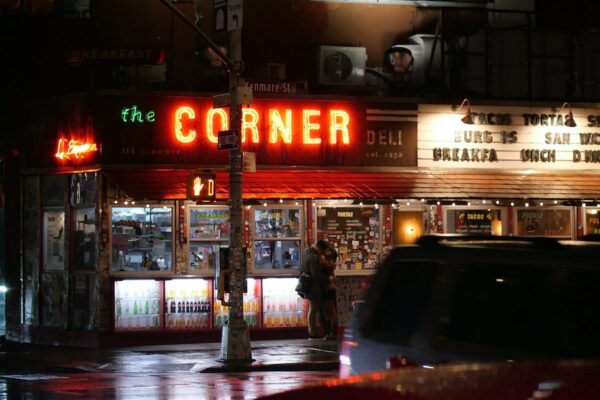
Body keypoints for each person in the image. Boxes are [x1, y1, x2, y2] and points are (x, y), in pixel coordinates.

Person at [300, 239, 329, 339]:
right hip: (313, 286)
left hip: (308, 285)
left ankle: (312, 330)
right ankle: (312, 331)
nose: (323, 253)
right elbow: (314, 274)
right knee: (313, 309)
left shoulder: (307, 254)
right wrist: (326, 277)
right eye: (323, 250)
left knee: (313, 308)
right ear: (320, 248)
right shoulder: (313, 257)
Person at [321, 245, 338, 340]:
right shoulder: (331, 264)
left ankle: (332, 333)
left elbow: (327, 270)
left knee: (330, 311)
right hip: (329, 287)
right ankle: (331, 333)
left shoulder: (328, 264)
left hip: (328, 288)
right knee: (329, 311)